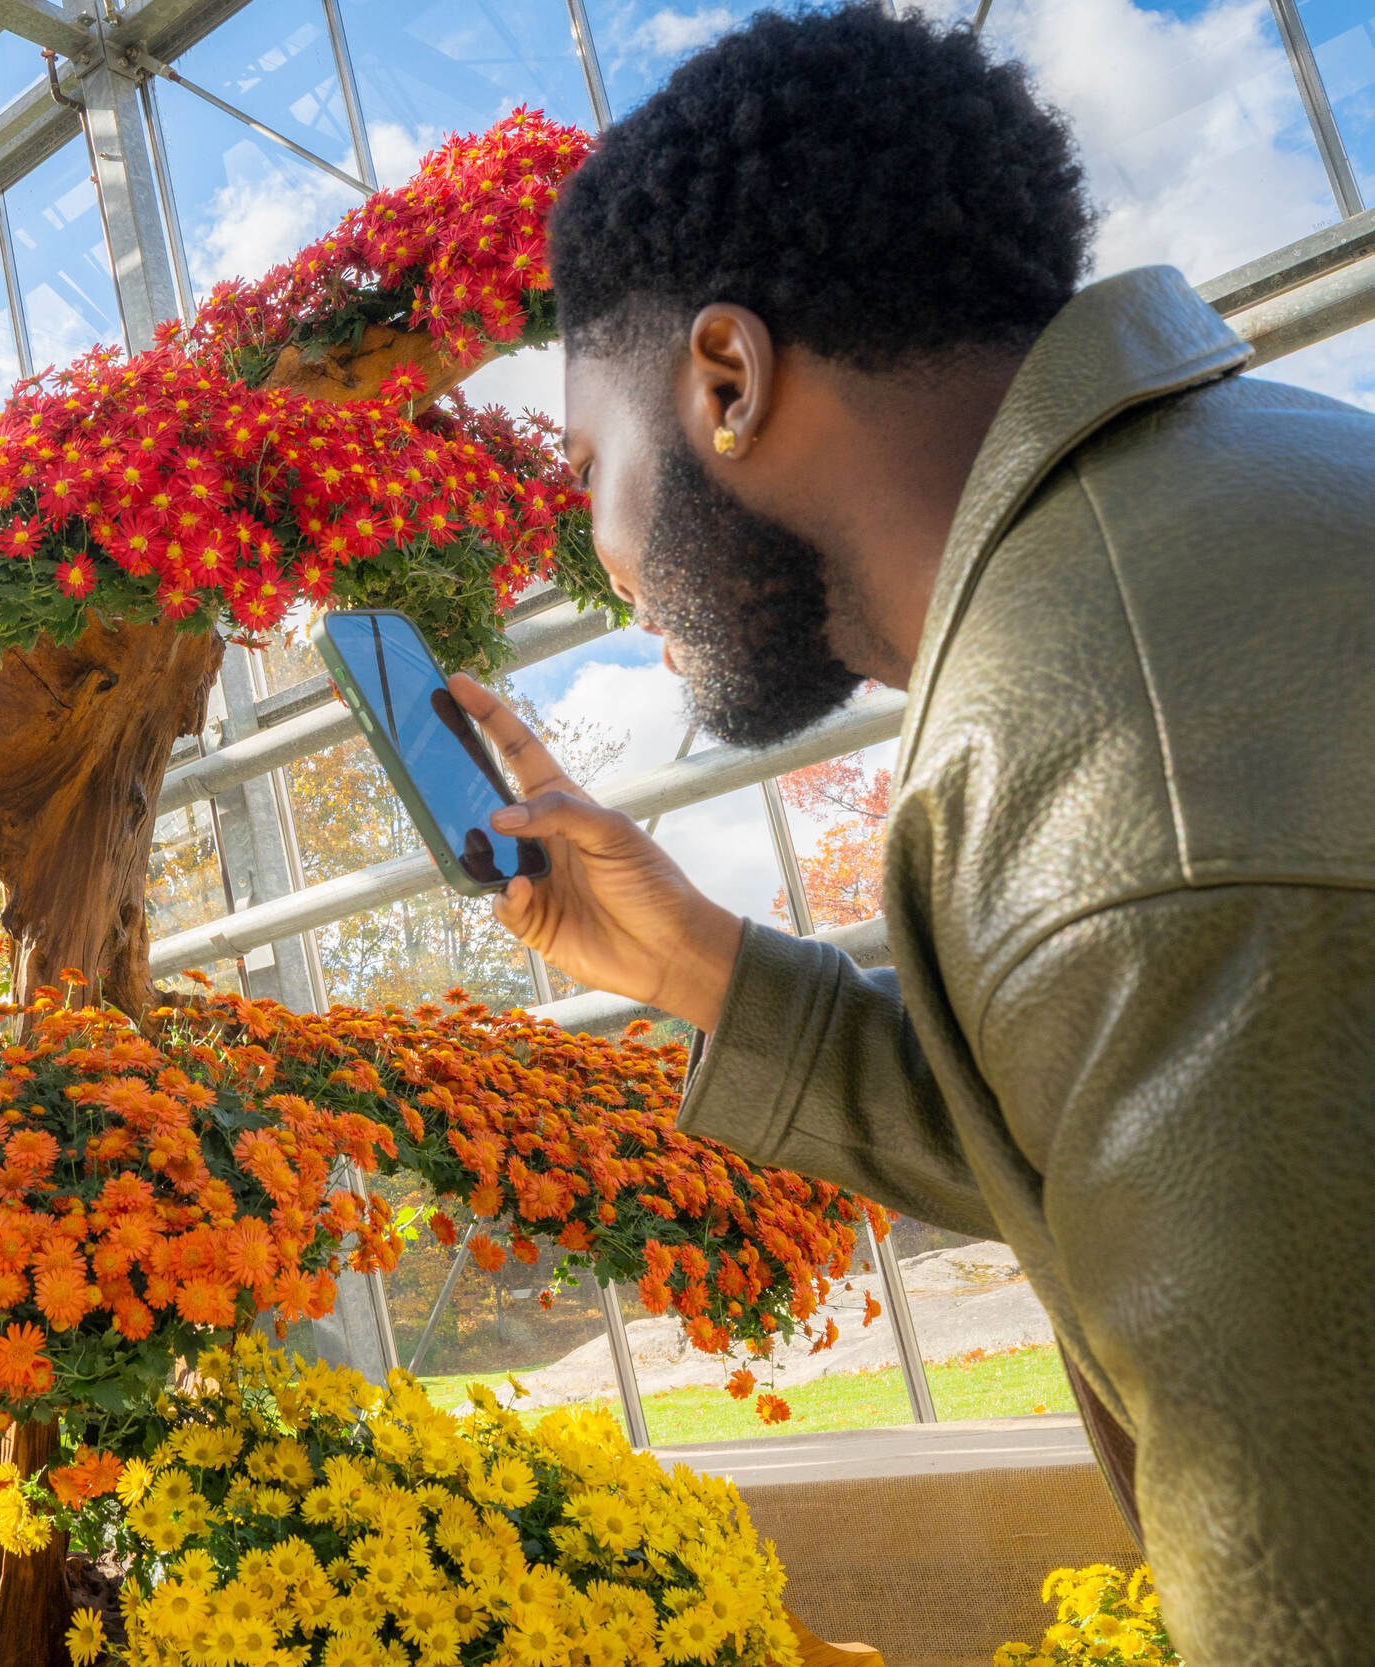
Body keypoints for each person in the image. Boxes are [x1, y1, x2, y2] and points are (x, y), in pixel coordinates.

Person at [446, 8, 1375, 1660]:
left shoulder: (1102, 764)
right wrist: (711, 969)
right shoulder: (1253, 494)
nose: (604, 564)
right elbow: (1134, 1165)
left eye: (592, 466)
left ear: (725, 380)